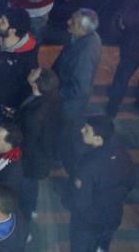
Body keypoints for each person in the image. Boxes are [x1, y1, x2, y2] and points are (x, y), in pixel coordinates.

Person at [66, 115, 135, 252]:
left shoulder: (88, 165)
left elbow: (81, 201)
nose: (81, 130)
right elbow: (130, 183)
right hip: (112, 216)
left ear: (98, 138)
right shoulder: (122, 154)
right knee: (102, 246)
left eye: (87, 130)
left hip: (88, 223)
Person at [0, 9, 38, 137]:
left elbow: (25, 87)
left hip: (2, 111)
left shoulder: (27, 58)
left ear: (13, 30)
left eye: (3, 21)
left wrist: (12, 107)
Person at [53, 9, 102, 172]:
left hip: (69, 104)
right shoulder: (81, 38)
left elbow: (80, 88)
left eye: (72, 22)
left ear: (83, 29)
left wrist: (55, 93)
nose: (68, 22)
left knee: (63, 132)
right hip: (66, 96)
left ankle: (58, 158)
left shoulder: (85, 54)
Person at [17, 67, 61, 221]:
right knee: (31, 185)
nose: (32, 70)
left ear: (35, 85)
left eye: (34, 72)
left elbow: (28, 138)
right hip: (40, 155)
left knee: (25, 188)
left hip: (31, 158)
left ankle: (26, 220)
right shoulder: (51, 97)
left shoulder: (35, 115)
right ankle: (32, 209)